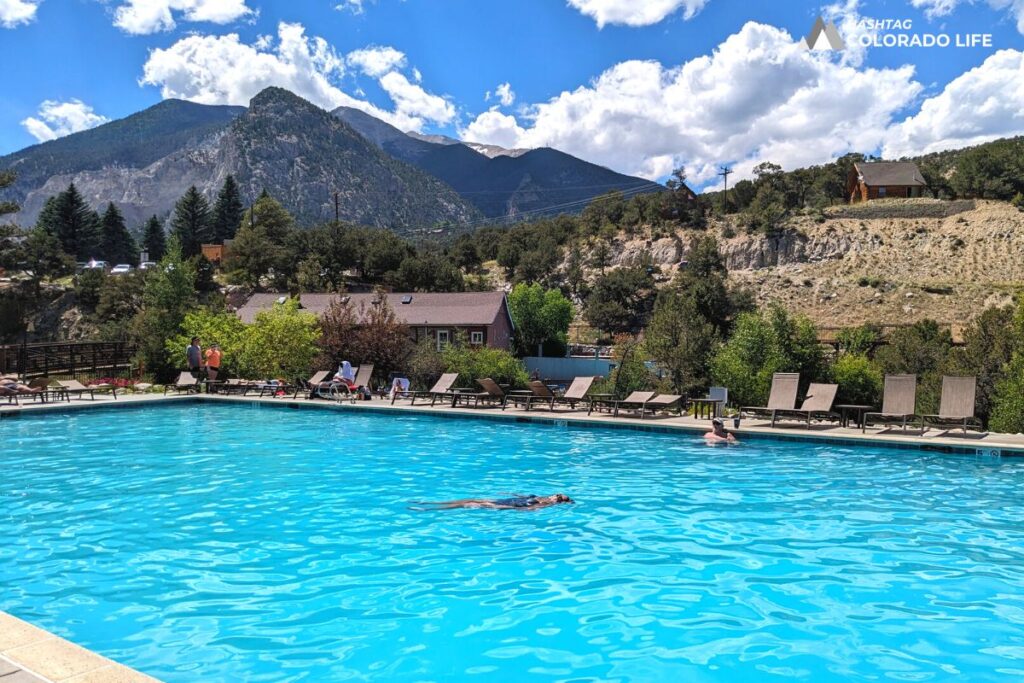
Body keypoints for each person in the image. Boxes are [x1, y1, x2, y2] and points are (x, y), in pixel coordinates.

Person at [416, 493, 574, 510]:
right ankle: (433, 502)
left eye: (559, 498)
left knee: (468, 505)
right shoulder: (542, 496)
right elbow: (523, 495)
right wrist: (509, 493)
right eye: (558, 494)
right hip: (508, 499)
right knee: (472, 498)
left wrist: (510, 508)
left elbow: (529, 509)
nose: (556, 496)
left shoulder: (545, 504)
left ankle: (430, 509)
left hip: (507, 505)